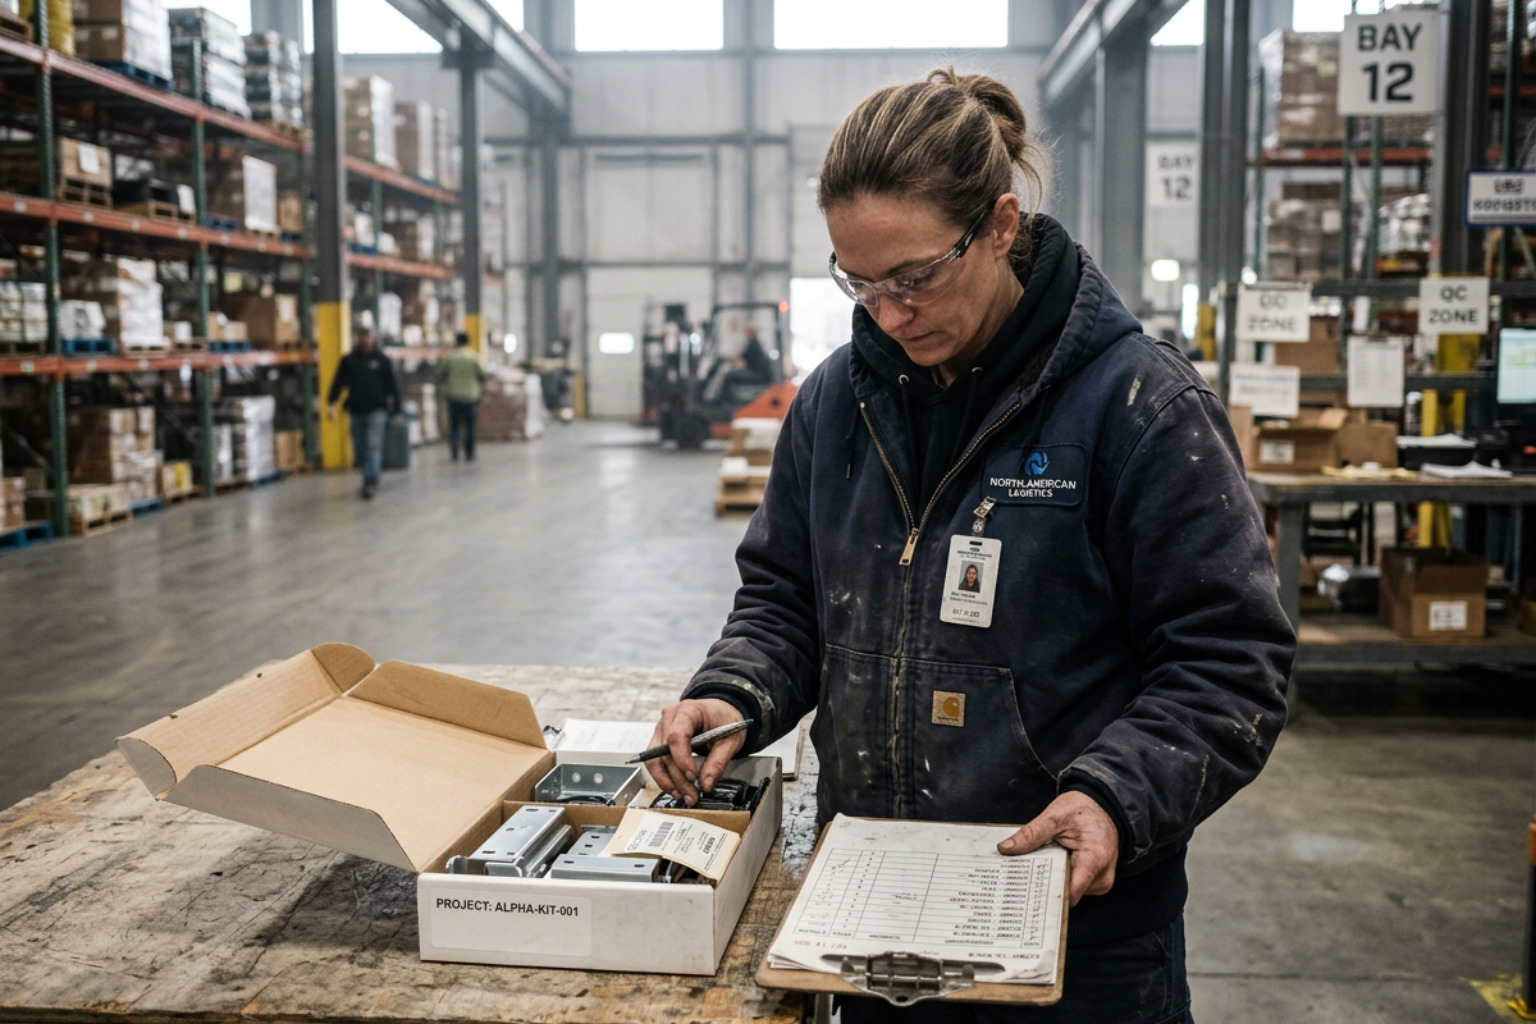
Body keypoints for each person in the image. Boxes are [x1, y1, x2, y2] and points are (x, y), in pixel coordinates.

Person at [645, 69, 1295, 1023]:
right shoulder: (835, 404)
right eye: (857, 281)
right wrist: (736, 687)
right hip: (865, 915)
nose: (888, 313)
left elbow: (1229, 662)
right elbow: (786, 597)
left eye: (914, 277)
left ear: (998, 225)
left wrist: (1115, 797)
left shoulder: (1139, 409)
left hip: (1074, 931)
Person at [326, 325, 400, 499]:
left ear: (373, 338)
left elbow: (392, 386)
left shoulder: (382, 360)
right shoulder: (349, 361)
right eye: (362, 336)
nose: (366, 339)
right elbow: (338, 382)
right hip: (356, 410)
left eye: (368, 336)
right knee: (359, 447)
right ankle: (371, 472)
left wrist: (397, 409)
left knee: (372, 444)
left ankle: (370, 482)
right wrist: (331, 403)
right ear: (357, 338)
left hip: (377, 410)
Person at [437, 331, 487, 461]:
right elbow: (482, 375)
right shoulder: (474, 356)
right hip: (471, 396)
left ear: (457, 342)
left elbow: (442, 374)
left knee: (455, 425)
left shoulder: (451, 357)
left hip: (454, 396)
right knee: (470, 426)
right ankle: (469, 452)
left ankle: (454, 448)